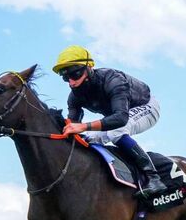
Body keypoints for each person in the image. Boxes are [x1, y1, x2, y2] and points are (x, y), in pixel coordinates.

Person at [54, 45, 167, 198]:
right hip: (117, 117)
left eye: (75, 74)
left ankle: (154, 177)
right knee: (90, 140)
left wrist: (83, 126)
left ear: (89, 67)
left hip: (146, 106)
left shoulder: (113, 80)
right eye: (66, 78)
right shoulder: (74, 96)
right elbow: (72, 125)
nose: (71, 82)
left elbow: (121, 118)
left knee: (115, 132)